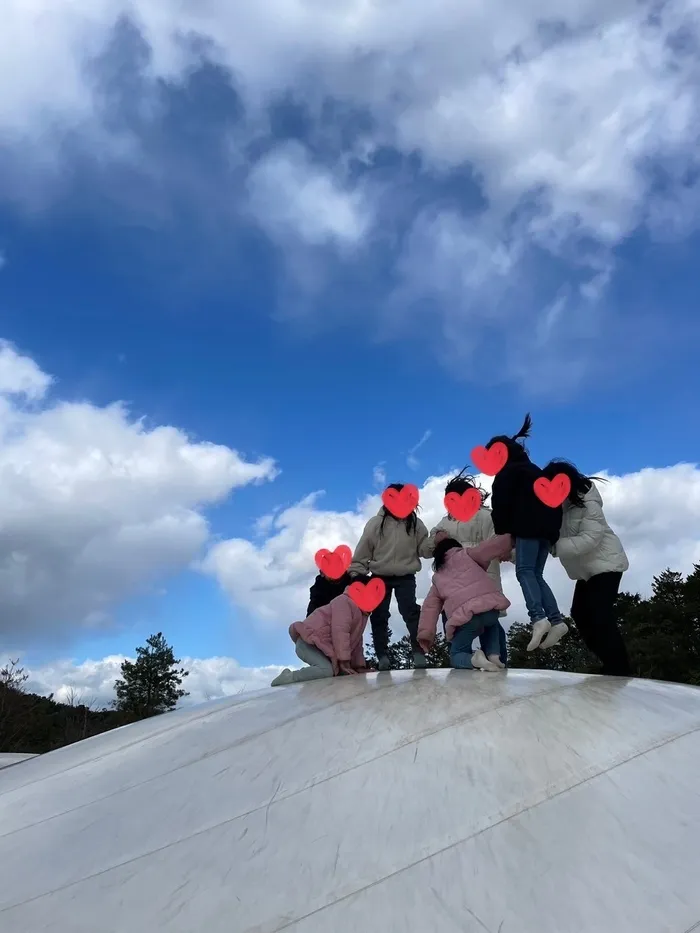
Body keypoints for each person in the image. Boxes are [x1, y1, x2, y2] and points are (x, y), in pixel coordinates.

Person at [486, 414, 567, 653]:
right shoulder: (534, 470)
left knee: (524, 571)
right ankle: (557, 621)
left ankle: (538, 618)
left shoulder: (507, 474)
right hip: (546, 531)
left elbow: (500, 507)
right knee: (536, 575)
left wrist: (504, 536)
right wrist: (553, 534)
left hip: (527, 528)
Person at [543, 459, 632, 676]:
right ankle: (608, 661)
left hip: (607, 565)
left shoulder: (588, 504)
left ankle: (619, 667)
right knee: (580, 614)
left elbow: (590, 538)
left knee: (599, 614)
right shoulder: (559, 509)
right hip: (586, 572)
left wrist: (554, 547)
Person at [424, 473, 509, 665]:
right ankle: (497, 662)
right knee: (490, 622)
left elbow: (429, 548)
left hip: (457, 586)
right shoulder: (483, 517)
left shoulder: (449, 523)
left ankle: (467, 662)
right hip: (484, 581)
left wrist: (437, 540)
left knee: (458, 626)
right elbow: (500, 543)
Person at [349, 483, 430, 671]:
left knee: (410, 612)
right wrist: (356, 573)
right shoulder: (376, 524)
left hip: (406, 575)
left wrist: (437, 542)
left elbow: (424, 549)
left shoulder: (415, 523)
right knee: (379, 616)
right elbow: (363, 550)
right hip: (379, 576)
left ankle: (418, 652)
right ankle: (382, 656)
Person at [417, 532, 513, 670]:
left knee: (456, 655)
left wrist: (425, 634)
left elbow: (429, 608)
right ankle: (493, 655)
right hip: (490, 609)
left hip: (467, 618)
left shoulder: (437, 578)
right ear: (456, 546)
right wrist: (511, 538)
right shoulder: (468, 554)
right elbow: (490, 547)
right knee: (491, 624)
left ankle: (474, 659)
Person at [271, 575, 372, 686]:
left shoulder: (362, 614)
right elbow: (340, 631)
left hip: (322, 647)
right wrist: (344, 661)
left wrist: (359, 667)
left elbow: (356, 641)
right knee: (326, 671)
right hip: (308, 642)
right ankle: (288, 677)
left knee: (335, 672)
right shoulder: (344, 601)